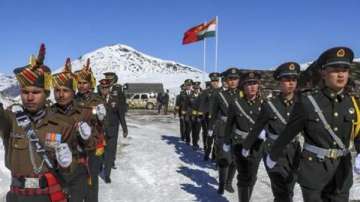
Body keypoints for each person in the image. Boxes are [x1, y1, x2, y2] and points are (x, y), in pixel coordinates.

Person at [267, 47, 360, 202]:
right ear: (323, 72)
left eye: (345, 69)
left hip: (342, 172)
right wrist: (273, 155)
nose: (341, 74)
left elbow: (358, 132)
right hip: (314, 173)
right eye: (335, 69)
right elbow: (288, 133)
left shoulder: (353, 103)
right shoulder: (307, 102)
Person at [0, 44, 75, 202]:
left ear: (46, 94)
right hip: (17, 195)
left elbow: (72, 168)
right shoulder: (11, 121)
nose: (30, 97)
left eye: (36, 92)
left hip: (47, 195)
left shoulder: (62, 124)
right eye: (25, 92)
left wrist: (68, 163)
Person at [242, 62, 302, 202]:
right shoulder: (270, 105)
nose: (291, 83)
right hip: (274, 151)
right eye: (286, 79)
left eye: (293, 79)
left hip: (294, 151)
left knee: (290, 188)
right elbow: (257, 127)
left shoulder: (303, 104)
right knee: (281, 192)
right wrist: (246, 146)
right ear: (280, 82)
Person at [51, 57, 97, 201]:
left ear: (73, 91)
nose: (60, 94)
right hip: (55, 171)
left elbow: (93, 144)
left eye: (65, 90)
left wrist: (87, 137)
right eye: (57, 90)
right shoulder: (48, 113)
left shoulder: (85, 112)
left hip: (78, 169)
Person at [223, 71, 264, 202]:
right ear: (243, 87)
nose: (252, 87)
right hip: (239, 144)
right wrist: (226, 141)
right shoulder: (236, 104)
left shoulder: (265, 104)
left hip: (257, 145)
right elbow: (229, 124)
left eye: (254, 83)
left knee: (252, 176)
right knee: (243, 175)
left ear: (258, 85)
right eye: (248, 84)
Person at [74, 59, 107, 202]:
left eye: (84, 83)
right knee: (77, 178)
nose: (81, 86)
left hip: (93, 144)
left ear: (90, 84)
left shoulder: (97, 100)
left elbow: (105, 123)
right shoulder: (72, 99)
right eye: (79, 83)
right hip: (76, 145)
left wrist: (101, 118)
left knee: (92, 178)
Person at [208, 68, 240, 194]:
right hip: (223, 129)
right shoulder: (220, 95)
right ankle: (221, 183)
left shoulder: (242, 94)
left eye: (235, 79)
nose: (232, 82)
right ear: (226, 81)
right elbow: (214, 113)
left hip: (238, 130)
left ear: (238, 80)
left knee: (235, 160)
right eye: (230, 79)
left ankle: (229, 182)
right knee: (224, 159)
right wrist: (211, 128)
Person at [199, 72, 221, 159]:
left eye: (216, 81)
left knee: (217, 138)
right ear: (211, 82)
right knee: (209, 137)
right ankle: (207, 153)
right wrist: (201, 114)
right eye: (213, 81)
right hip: (208, 118)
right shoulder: (206, 92)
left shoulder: (222, 91)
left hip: (218, 118)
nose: (214, 82)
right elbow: (202, 104)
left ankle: (214, 156)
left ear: (218, 81)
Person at [189, 82, 202, 149]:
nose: (196, 89)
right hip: (193, 116)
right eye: (195, 88)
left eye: (197, 88)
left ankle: (196, 142)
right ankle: (194, 143)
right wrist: (193, 114)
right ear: (193, 88)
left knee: (198, 130)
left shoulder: (201, 95)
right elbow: (188, 107)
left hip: (200, 116)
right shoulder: (190, 96)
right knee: (194, 130)